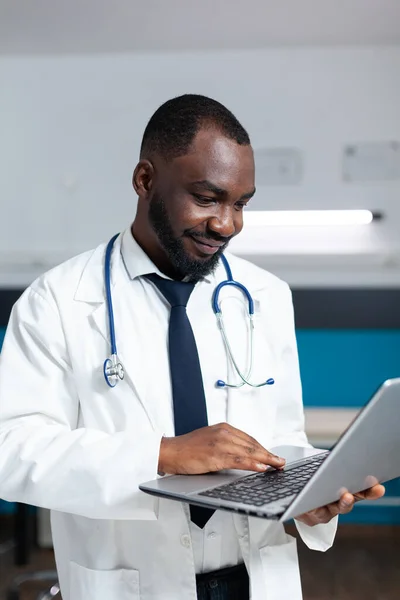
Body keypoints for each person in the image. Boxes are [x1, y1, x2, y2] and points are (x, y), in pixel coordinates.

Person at [0, 94, 384, 600]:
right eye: (207, 199)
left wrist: (305, 496)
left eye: (241, 204)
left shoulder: (265, 297)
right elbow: (12, 449)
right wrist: (163, 454)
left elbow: (282, 437)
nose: (227, 224)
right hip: (133, 583)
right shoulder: (57, 301)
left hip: (256, 577)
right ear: (145, 181)